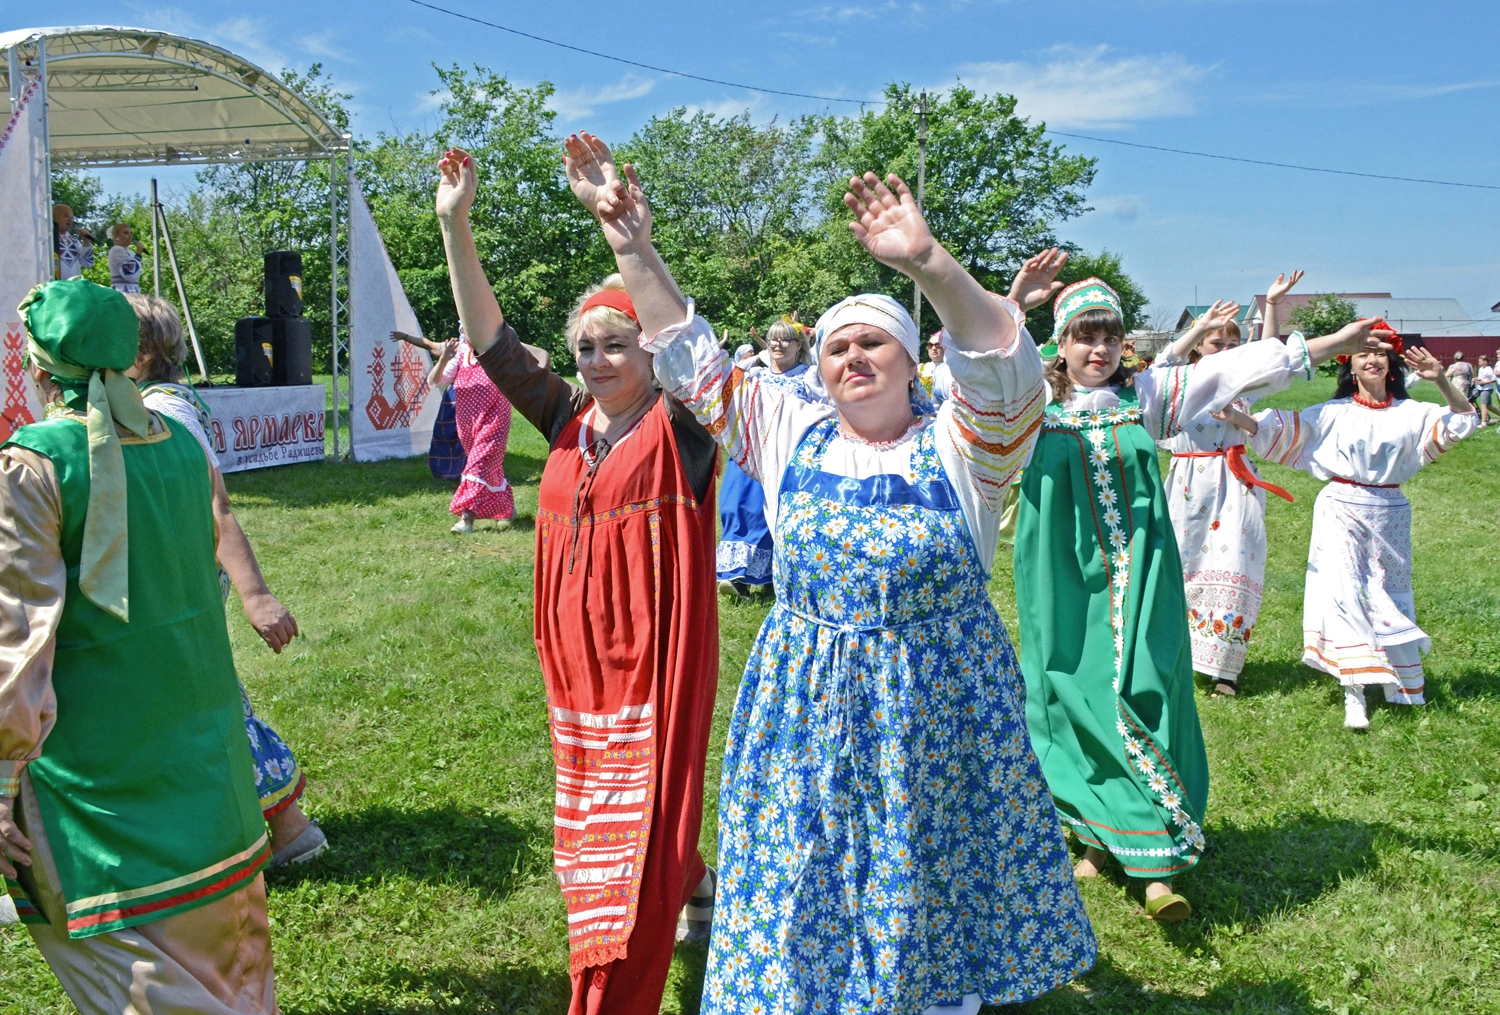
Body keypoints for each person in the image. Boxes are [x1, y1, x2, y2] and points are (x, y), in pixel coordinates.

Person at [587, 128, 1099, 1009]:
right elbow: (686, 349)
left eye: (875, 344)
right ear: (818, 370)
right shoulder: (790, 432)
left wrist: (931, 265)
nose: (853, 358)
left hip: (937, 704)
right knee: (809, 860)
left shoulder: (964, 446)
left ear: (910, 361)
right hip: (808, 696)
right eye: (836, 348)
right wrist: (632, 245)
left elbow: (1003, 369)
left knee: (927, 860)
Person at [437, 140, 720, 1015]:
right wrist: (456, 227)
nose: (598, 358)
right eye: (586, 345)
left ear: (646, 349)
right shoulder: (563, 416)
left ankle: (614, 993)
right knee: (603, 810)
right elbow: (490, 342)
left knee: (643, 814)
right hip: (576, 668)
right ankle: (698, 884)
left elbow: (690, 348)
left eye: (616, 342)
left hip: (656, 665)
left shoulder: (686, 429)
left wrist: (624, 238)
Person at [1015, 276, 1391, 921]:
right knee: (1063, 686)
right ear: (1063, 343)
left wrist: (1332, 342)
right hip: (1058, 573)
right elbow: (983, 356)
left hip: (1140, 566)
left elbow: (1242, 367)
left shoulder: (1148, 397)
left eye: (1109, 336)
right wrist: (1013, 303)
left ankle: (1155, 854)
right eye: (1085, 335)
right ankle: (1096, 831)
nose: (1098, 348)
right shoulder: (1029, 402)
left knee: (1142, 683)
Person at [0, 279, 277, 1013]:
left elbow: (16, 646)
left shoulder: (33, 467)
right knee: (235, 982)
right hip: (206, 772)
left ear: (36, 367)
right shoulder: (184, 446)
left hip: (97, 797)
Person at [124, 293, 325, 867]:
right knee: (193, 697)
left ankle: (286, 830)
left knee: (201, 700)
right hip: (166, 578)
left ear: (138, 353)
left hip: (177, 582)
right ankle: (269, 832)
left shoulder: (164, 411)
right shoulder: (152, 401)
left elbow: (215, 504)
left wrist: (256, 596)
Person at [1226, 334, 1476, 729]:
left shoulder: (1414, 413)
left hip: (1390, 511)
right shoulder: (1332, 412)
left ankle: (1400, 683)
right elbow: (1276, 431)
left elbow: (1462, 421)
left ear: (1391, 365)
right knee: (1346, 592)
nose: (1372, 360)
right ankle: (1353, 692)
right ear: (1351, 365)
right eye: (1364, 353)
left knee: (1388, 593)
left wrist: (1441, 379)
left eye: (1379, 354)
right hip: (1341, 505)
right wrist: (1234, 415)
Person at [1156, 273, 1303, 696]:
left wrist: (1271, 305)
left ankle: (1226, 669)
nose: (1224, 352)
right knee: (1180, 570)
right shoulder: (1177, 387)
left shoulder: (1239, 388)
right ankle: (1178, 657)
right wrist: (1196, 328)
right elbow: (1163, 363)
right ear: (1200, 346)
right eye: (1215, 344)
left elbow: (1269, 357)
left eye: (1231, 346)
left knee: (1233, 568)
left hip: (1233, 485)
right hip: (1185, 488)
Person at [716, 317, 811, 598]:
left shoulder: (809, 377)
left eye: (785, 339)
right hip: (748, 453)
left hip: (785, 456)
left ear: (798, 345)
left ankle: (768, 577)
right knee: (734, 506)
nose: (777, 344)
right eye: (772, 339)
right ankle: (736, 575)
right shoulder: (755, 375)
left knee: (766, 514)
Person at [427, 327, 517, 533]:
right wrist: (444, 358)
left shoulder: (497, 352)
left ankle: (466, 520)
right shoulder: (461, 356)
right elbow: (434, 381)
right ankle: (506, 509)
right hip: (468, 424)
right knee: (489, 468)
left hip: (495, 421)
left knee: (477, 466)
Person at [392, 330, 465, 480]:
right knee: (447, 433)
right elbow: (427, 344)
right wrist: (405, 336)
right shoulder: (455, 347)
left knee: (468, 436)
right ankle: (447, 471)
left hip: (474, 396)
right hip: (454, 396)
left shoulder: (485, 349)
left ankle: (469, 471)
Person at [51, 204, 94, 281]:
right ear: (55, 217)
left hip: (74, 288)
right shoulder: (48, 239)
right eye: (66, 216)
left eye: (71, 217)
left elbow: (87, 263)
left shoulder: (74, 241)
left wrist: (86, 243)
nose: (70, 220)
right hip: (55, 288)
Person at [916, 329, 953, 402]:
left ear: (946, 347)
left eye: (938, 345)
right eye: (930, 345)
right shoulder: (920, 369)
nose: (933, 348)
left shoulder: (952, 370)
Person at [106, 224, 144, 293]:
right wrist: (138, 254)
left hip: (132, 288)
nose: (130, 236)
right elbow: (129, 273)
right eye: (126, 233)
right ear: (117, 236)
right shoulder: (116, 250)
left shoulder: (130, 253)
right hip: (122, 289)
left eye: (131, 233)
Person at [1472, 355, 1495, 427]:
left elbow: (1494, 379)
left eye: (1480, 362)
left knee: (1484, 405)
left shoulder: (1489, 369)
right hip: (1480, 388)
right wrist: (1476, 379)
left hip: (1487, 389)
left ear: (1485, 362)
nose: (1479, 363)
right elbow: (1481, 377)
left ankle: (1483, 423)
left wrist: (1484, 383)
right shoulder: (1481, 369)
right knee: (1489, 406)